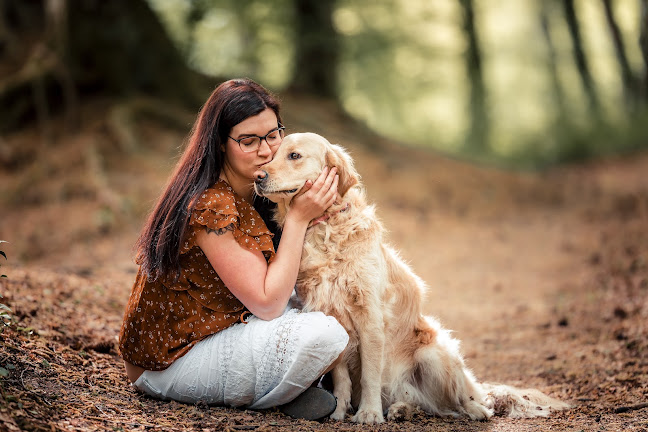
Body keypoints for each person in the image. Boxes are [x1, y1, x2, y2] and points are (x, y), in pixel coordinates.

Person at [118, 78, 349, 420]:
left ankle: (292, 389)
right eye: (248, 140)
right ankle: (277, 399)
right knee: (325, 333)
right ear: (220, 144)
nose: (267, 150)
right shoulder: (212, 203)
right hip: (170, 362)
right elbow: (268, 303)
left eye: (273, 135)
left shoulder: (264, 192)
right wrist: (299, 219)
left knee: (327, 302)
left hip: (225, 329)